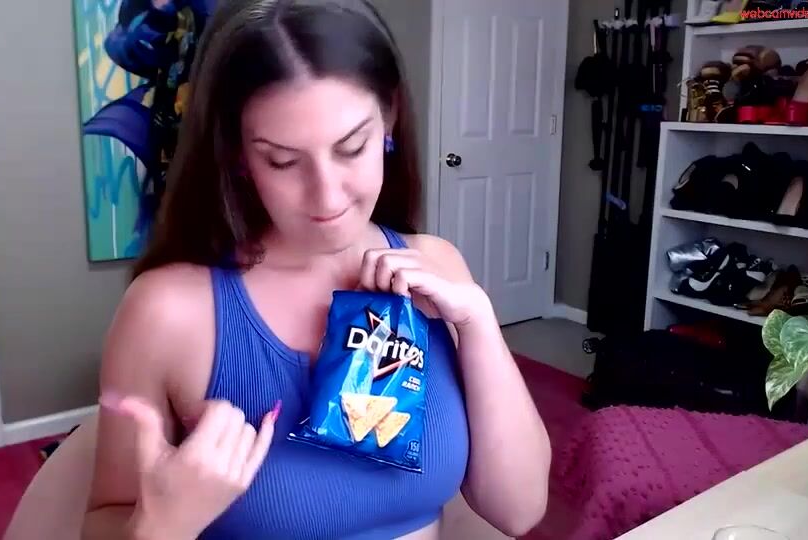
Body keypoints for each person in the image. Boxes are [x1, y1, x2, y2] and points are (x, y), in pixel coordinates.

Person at [81, 1, 551, 538]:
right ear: (236, 153)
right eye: (283, 161)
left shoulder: (438, 263)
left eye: (352, 148)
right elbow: (102, 520)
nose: (327, 198)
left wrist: (479, 324)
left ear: (390, 116)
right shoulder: (166, 311)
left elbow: (519, 510)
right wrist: (162, 523)